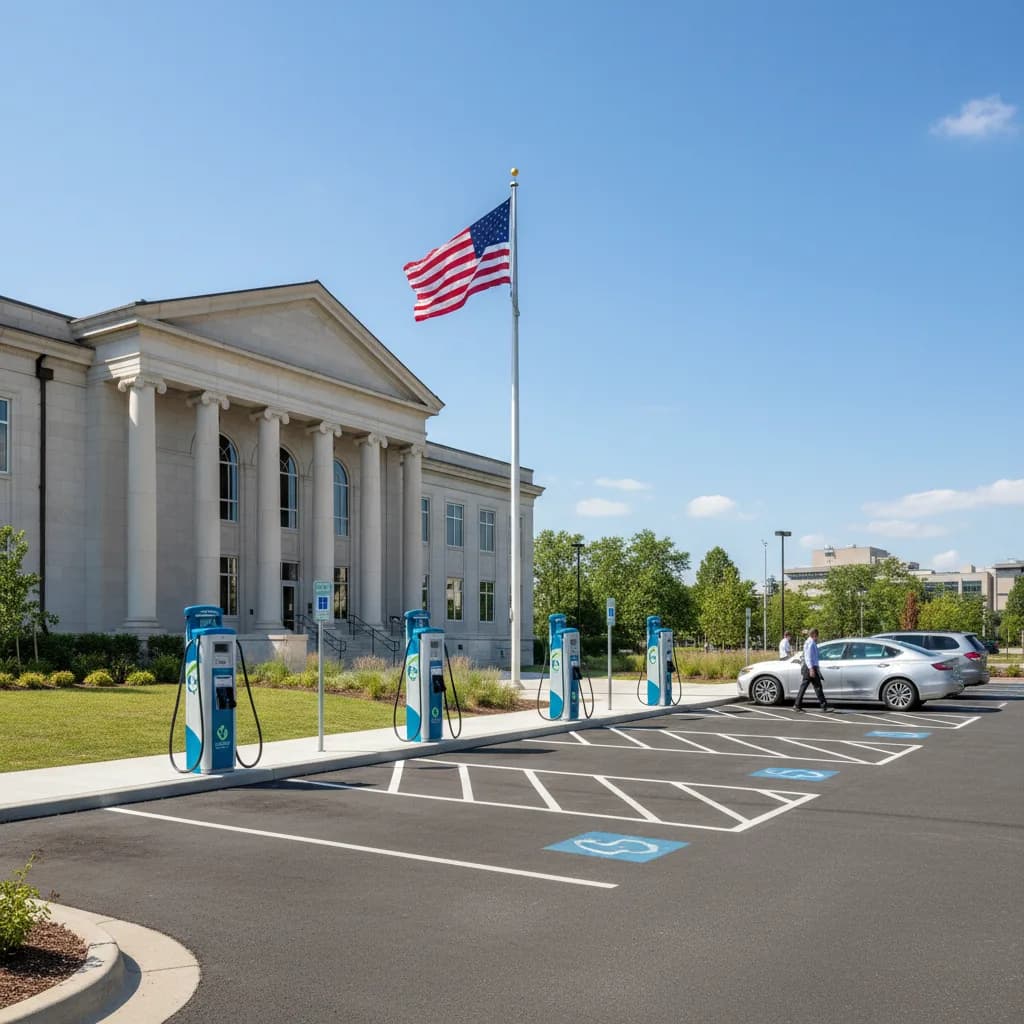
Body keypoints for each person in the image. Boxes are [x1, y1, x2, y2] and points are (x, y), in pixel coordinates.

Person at [795, 627, 833, 712]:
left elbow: (812, 657)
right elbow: (808, 657)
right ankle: (824, 706)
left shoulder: (810, 642)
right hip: (810, 668)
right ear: (814, 635)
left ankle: (797, 705)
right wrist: (811, 668)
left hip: (811, 667)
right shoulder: (811, 643)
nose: (817, 637)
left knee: (808, 687)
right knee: (817, 687)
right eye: (817, 635)